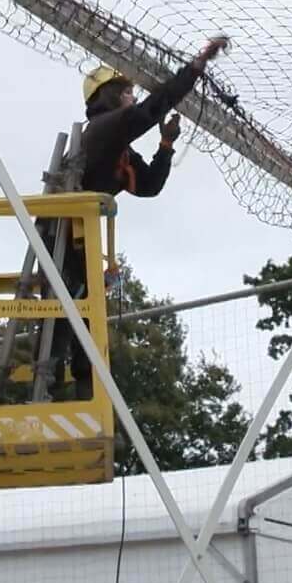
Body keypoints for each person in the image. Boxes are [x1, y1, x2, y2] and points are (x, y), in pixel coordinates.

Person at [45, 36, 229, 399]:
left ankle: (80, 384)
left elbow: (147, 186)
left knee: (79, 308)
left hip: (77, 237)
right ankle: (52, 377)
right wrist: (194, 68)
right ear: (109, 97)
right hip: (59, 235)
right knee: (67, 306)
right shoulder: (104, 129)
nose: (131, 96)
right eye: (126, 91)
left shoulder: (118, 146)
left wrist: (165, 146)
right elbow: (149, 110)